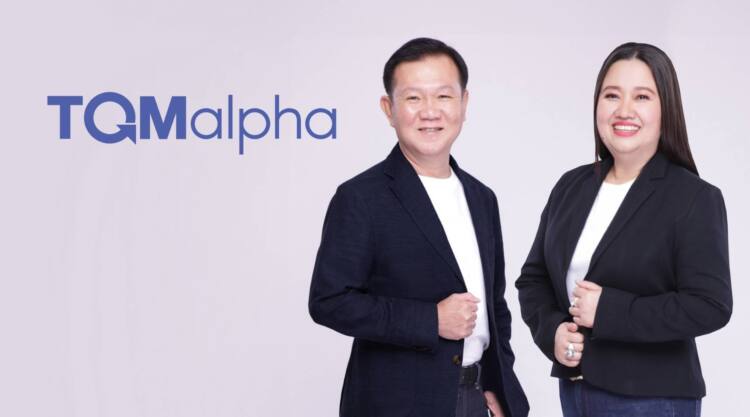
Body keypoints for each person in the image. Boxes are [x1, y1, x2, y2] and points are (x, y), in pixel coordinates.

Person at [309, 38, 529, 417]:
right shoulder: (361, 197)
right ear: (389, 109)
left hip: (476, 397)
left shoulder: (481, 197)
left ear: (464, 103)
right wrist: (431, 320)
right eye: (413, 98)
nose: (430, 111)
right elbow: (330, 301)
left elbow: (495, 306)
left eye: (443, 96)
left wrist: (497, 383)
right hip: (396, 405)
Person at [515, 42, 732, 417]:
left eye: (642, 96)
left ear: (666, 109)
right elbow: (533, 279)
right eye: (612, 95)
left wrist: (609, 310)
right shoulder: (571, 187)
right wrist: (552, 330)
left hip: (653, 399)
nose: (624, 110)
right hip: (576, 392)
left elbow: (710, 305)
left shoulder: (694, 197)